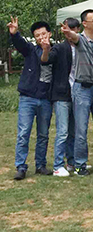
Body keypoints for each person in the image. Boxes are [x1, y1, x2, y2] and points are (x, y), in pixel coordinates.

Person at [60, 9, 93, 176]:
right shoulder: (80, 39)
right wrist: (67, 32)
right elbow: (73, 37)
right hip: (81, 89)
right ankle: (80, 164)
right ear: (84, 23)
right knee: (81, 129)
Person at [8, 17, 53, 180]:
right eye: (37, 36)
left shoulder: (56, 51)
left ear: (49, 34)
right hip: (28, 98)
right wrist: (15, 34)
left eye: (43, 34)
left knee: (43, 134)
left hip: (46, 99)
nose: (41, 38)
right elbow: (20, 44)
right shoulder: (30, 50)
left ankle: (40, 164)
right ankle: (21, 166)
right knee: (23, 133)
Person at [42, 17, 81, 177]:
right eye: (67, 30)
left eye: (73, 30)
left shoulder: (81, 47)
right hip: (61, 95)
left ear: (77, 30)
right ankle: (58, 165)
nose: (69, 33)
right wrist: (46, 49)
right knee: (62, 131)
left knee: (73, 131)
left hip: (77, 94)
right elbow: (45, 61)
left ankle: (71, 162)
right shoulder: (59, 48)